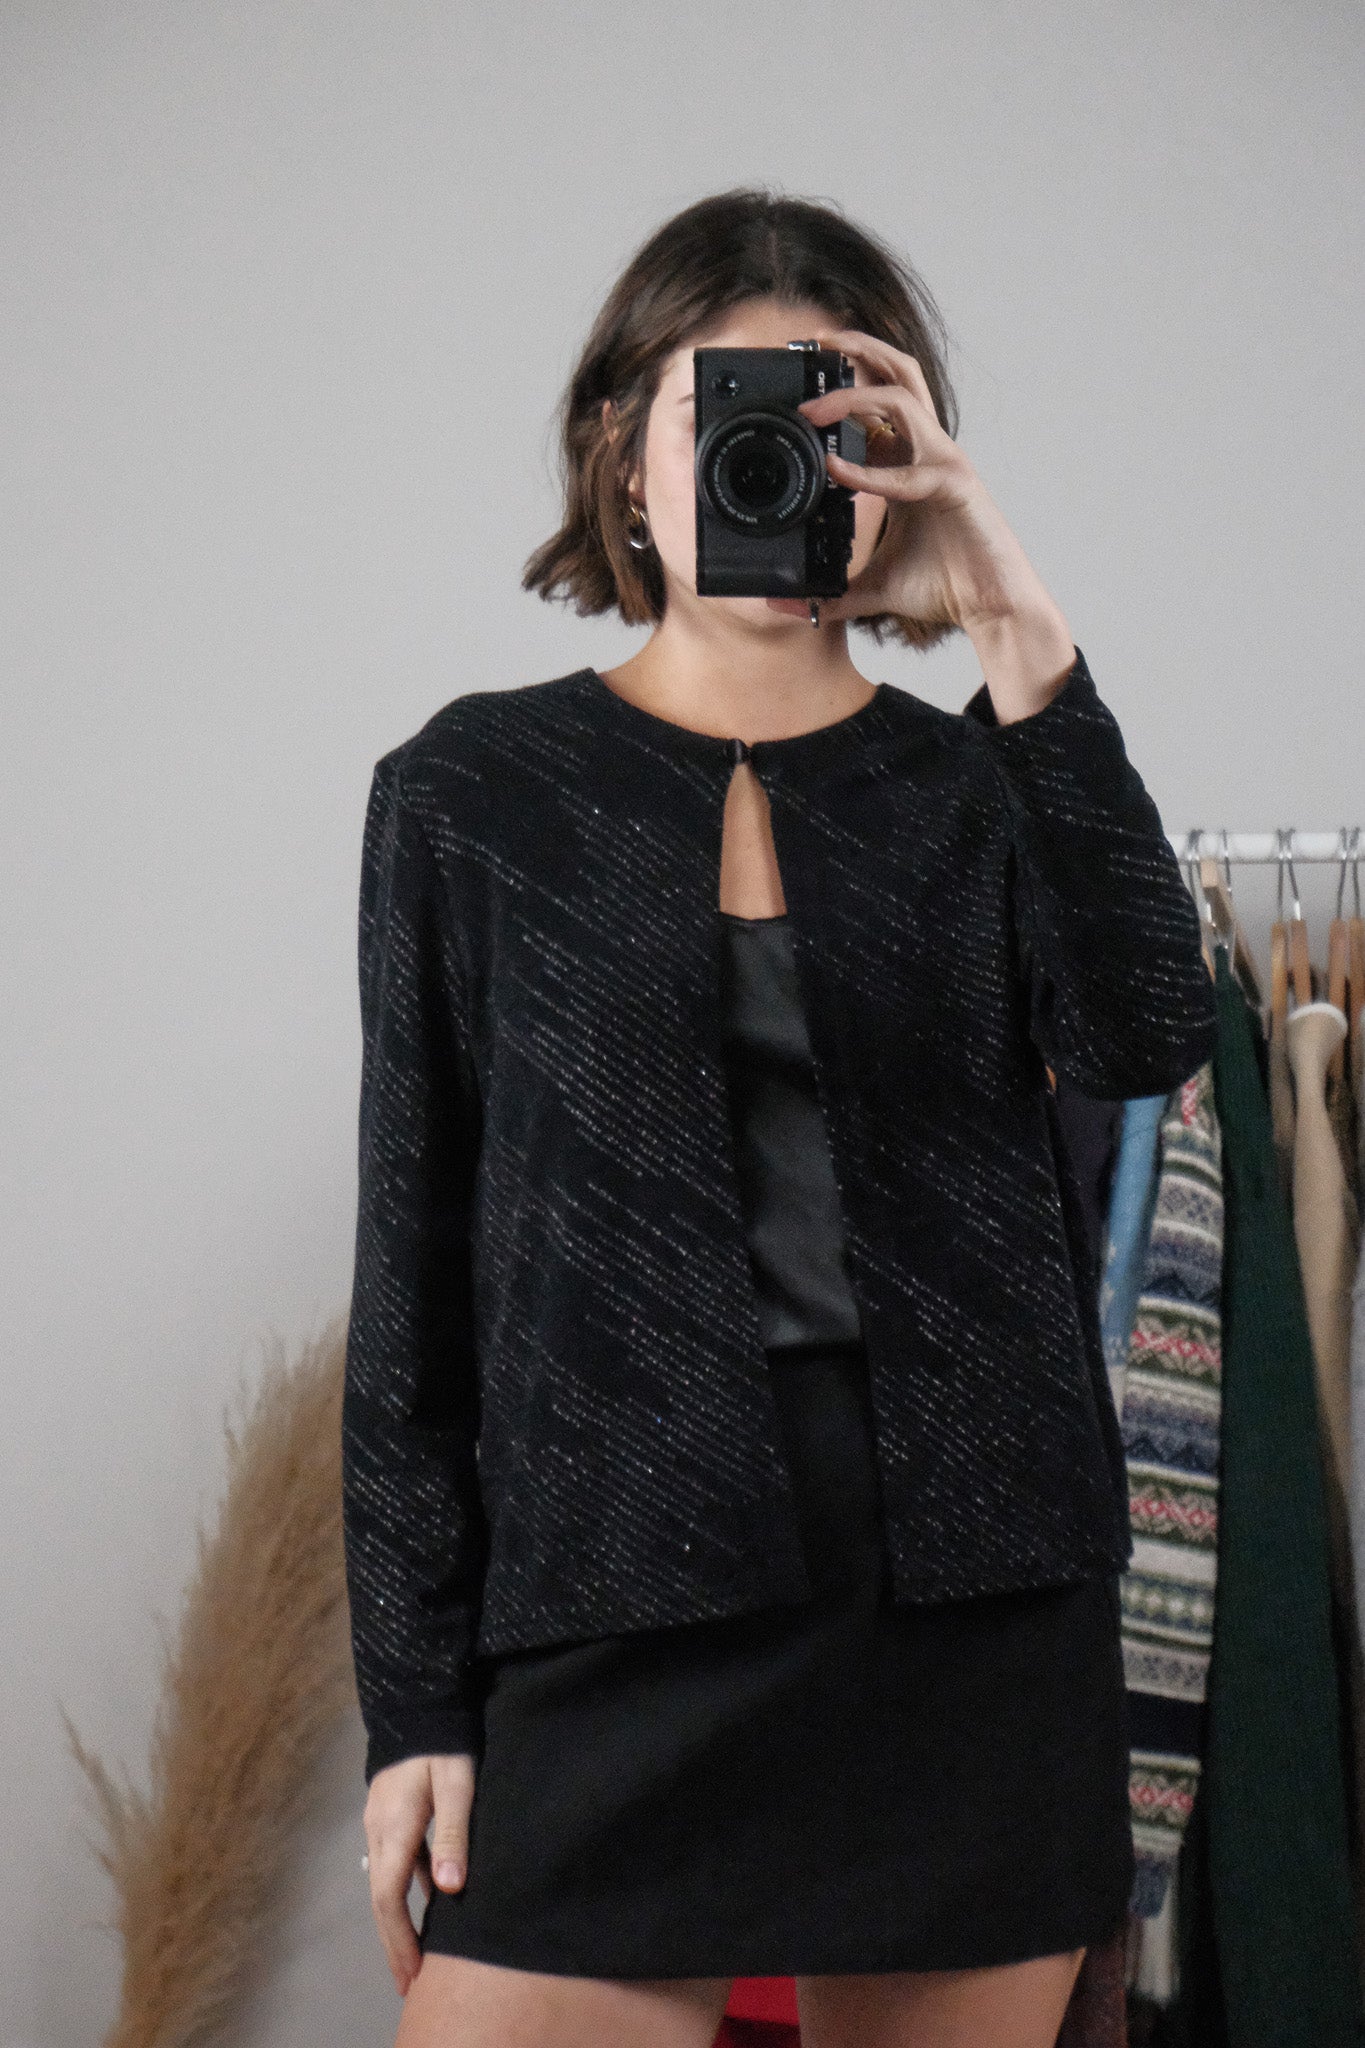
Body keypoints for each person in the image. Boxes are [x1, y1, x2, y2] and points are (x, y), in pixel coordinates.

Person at [345, 187, 1215, 2048]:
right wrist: (412, 1702)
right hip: (613, 1596)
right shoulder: (474, 794)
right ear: (622, 453)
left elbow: (1147, 1033)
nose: (775, 462)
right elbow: (412, 1279)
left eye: (834, 426)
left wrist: (1007, 610)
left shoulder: (975, 786)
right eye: (724, 414)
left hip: (969, 1608)